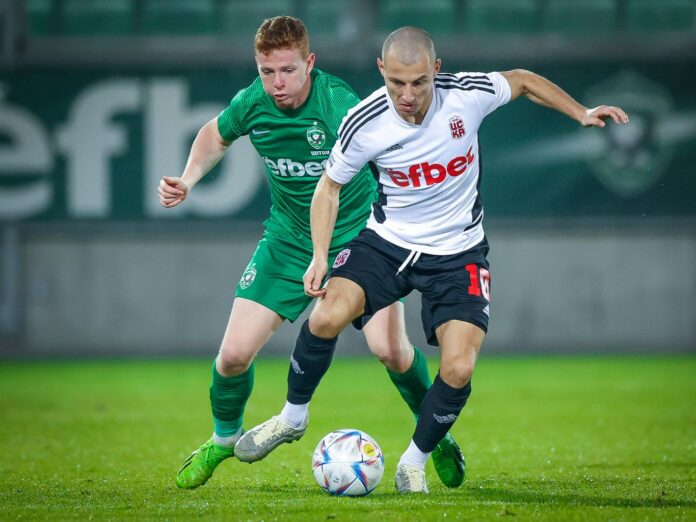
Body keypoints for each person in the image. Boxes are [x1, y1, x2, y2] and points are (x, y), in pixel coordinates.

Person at [235, 26, 630, 493]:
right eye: (396, 82)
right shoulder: (364, 121)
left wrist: (581, 112)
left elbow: (522, 80)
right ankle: (292, 418)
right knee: (325, 316)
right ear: (381, 71)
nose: (407, 95)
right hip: (388, 243)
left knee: (459, 367)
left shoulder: (467, 95)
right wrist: (320, 255)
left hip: (458, 250)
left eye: (419, 82)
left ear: (436, 71)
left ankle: (414, 461)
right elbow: (329, 187)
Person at [158, 17, 465, 490]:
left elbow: (396, 149)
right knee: (233, 356)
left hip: (360, 239)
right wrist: (188, 178)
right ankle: (223, 440)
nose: (276, 83)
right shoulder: (252, 103)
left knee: (390, 351)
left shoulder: (338, 103)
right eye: (266, 71)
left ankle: (436, 437)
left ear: (310, 63)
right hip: (287, 240)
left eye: (287, 70)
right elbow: (213, 135)